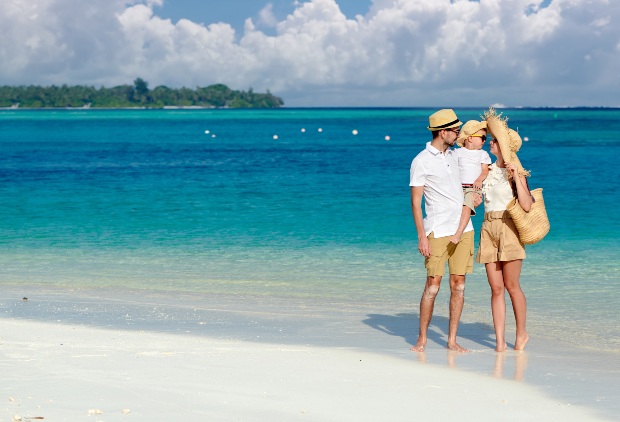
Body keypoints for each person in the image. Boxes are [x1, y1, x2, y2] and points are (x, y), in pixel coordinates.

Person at [409, 109, 480, 353]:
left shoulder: (456, 156)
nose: (458, 134)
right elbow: (415, 203)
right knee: (432, 285)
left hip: (464, 228)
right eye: (455, 130)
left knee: (459, 285)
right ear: (442, 132)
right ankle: (422, 339)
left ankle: (451, 340)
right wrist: (421, 236)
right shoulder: (421, 161)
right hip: (437, 231)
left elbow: (478, 168)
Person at [477, 108, 533, 352]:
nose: (491, 142)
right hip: (488, 227)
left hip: (509, 227)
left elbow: (527, 205)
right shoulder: (486, 169)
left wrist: (516, 177)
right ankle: (499, 342)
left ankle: (521, 333)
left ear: (504, 146)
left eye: (495, 141)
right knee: (496, 288)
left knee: (512, 286)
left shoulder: (516, 173)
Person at [450, 120, 492, 244]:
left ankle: (458, 233)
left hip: (474, 187)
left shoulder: (482, 154)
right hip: (459, 187)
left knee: (466, 206)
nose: (484, 141)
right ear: (469, 138)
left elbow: (485, 171)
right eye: (482, 137)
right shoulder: (456, 153)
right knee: (457, 208)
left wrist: (479, 180)